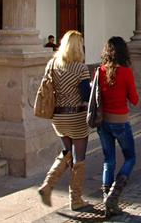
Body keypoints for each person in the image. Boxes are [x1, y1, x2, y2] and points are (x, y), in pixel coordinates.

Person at [38, 30, 92, 211]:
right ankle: (75, 199)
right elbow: (85, 94)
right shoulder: (81, 68)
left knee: (66, 151)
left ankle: (48, 185)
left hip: (58, 116)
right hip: (76, 115)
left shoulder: (52, 64)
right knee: (79, 157)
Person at [97, 36, 139, 217]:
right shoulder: (126, 72)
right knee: (130, 157)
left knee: (109, 161)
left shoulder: (100, 71)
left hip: (103, 122)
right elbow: (135, 99)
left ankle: (106, 197)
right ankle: (114, 194)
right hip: (120, 121)